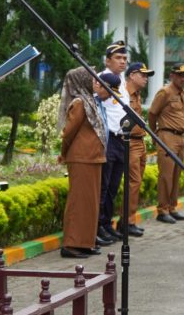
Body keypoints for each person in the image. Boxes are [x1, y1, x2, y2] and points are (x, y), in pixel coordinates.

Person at [57, 68, 118, 258]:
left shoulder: (89, 100)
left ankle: (84, 242)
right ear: (80, 80)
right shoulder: (79, 103)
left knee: (90, 203)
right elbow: (68, 133)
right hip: (81, 158)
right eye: (90, 78)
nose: (94, 82)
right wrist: (63, 153)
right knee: (79, 202)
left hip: (93, 157)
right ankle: (71, 244)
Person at [148, 63, 184, 224]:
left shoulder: (183, 93)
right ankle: (162, 210)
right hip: (167, 136)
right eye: (179, 75)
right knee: (166, 175)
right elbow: (152, 114)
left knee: (176, 174)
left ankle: (172, 207)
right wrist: (155, 136)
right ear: (172, 75)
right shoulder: (165, 92)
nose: (183, 78)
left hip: (180, 138)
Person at [97, 41, 129, 243]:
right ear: (108, 60)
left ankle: (107, 223)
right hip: (108, 139)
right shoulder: (101, 79)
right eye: (118, 58)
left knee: (114, 186)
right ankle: (98, 226)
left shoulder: (122, 81)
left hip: (121, 140)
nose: (122, 62)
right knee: (104, 185)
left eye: (125, 58)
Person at [118, 62, 154, 237]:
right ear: (132, 75)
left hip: (140, 142)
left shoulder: (137, 95)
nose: (146, 78)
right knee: (133, 183)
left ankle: (129, 220)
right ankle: (126, 222)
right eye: (143, 75)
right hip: (129, 142)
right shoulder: (123, 93)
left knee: (136, 183)